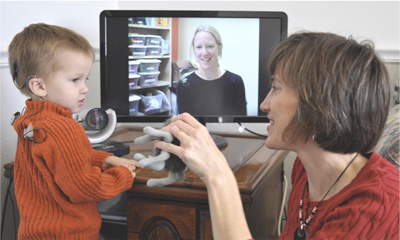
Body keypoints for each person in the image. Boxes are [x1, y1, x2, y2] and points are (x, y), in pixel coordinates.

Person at [155, 32, 400, 239]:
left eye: (276, 88)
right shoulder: (305, 170)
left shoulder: (377, 206)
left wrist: (218, 175)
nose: (264, 104)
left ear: (320, 104)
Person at [8, 23, 141, 239]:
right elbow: (83, 188)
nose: (85, 88)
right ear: (39, 86)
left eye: (85, 79)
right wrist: (122, 176)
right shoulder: (62, 127)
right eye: (75, 80)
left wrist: (105, 160)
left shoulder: (30, 121)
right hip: (69, 234)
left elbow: (64, 159)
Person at [176, 25, 247, 116]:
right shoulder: (183, 85)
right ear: (194, 50)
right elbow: (186, 125)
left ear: (219, 49)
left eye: (210, 46)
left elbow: (241, 123)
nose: (204, 53)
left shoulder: (235, 82)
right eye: (199, 47)